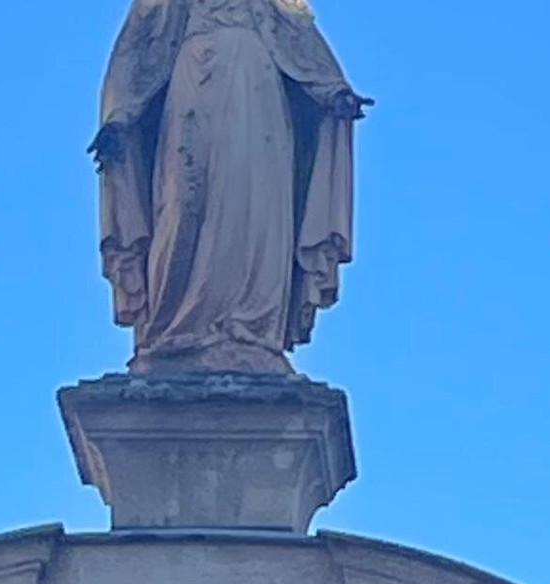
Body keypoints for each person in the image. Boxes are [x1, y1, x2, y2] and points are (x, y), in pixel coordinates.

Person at [90, 0, 372, 374]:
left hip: (258, 89)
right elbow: (141, 45)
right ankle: (175, 330)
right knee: (184, 206)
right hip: (194, 85)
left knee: (255, 208)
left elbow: (295, 33)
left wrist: (331, 88)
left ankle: (251, 333)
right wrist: (120, 116)